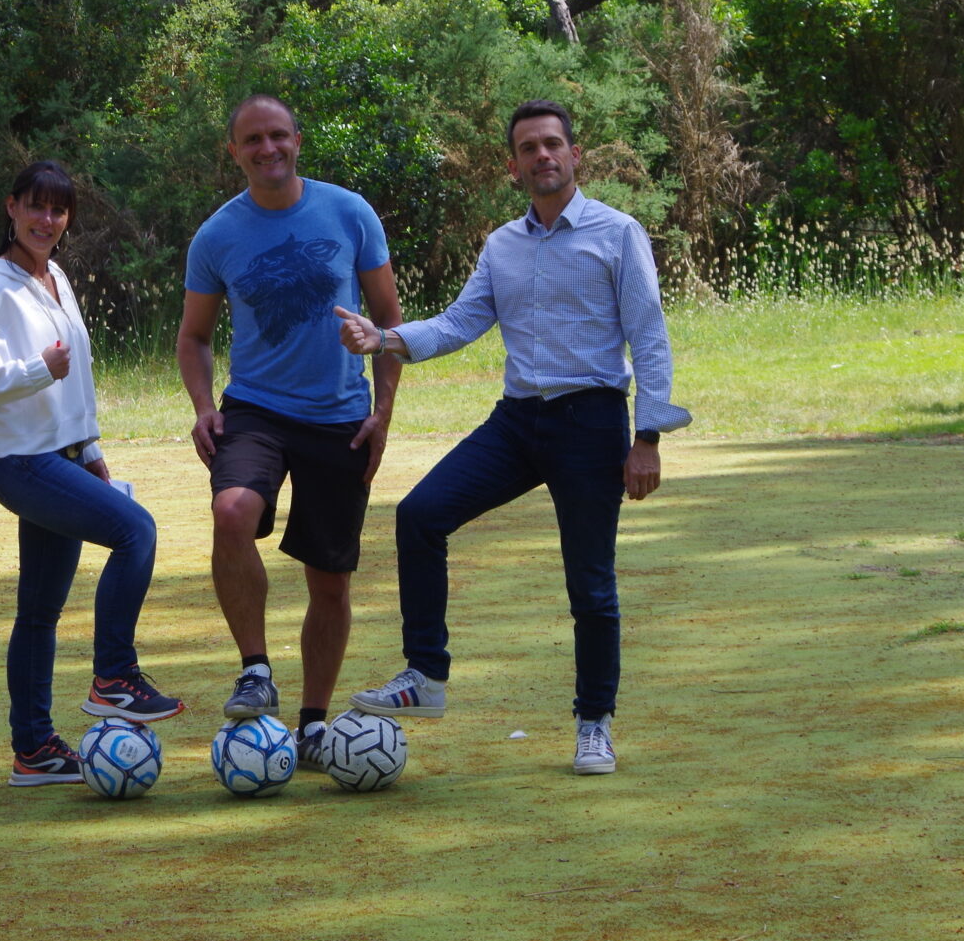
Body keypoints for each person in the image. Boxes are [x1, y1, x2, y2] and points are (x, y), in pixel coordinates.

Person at [335, 99, 691, 776]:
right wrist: (385, 338)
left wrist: (648, 437)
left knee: (590, 583)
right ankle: (426, 677)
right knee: (419, 514)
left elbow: (649, 338)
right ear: (514, 165)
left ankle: (594, 724)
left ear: (575, 155)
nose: (543, 156)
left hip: (591, 424)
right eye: (529, 148)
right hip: (517, 423)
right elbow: (459, 323)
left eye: (553, 144)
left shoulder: (617, 234)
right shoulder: (503, 244)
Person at [177, 94, 404, 767]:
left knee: (329, 580)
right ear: (234, 151)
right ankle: (254, 668)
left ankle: (311, 724)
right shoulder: (217, 235)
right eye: (253, 140)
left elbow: (390, 323)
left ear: (298, 140)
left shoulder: (349, 212)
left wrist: (383, 412)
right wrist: (201, 405)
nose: (267, 149)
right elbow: (193, 337)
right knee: (231, 510)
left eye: (278, 136)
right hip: (255, 410)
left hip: (340, 418)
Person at [0, 161, 184, 786]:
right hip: (21, 463)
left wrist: (92, 446)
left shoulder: (53, 277)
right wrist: (32, 370)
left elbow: (75, 374)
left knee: (40, 613)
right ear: (12, 208)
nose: (47, 220)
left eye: (58, 210)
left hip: (65, 455)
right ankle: (113, 678)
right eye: (36, 207)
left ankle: (35, 751)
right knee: (137, 532)